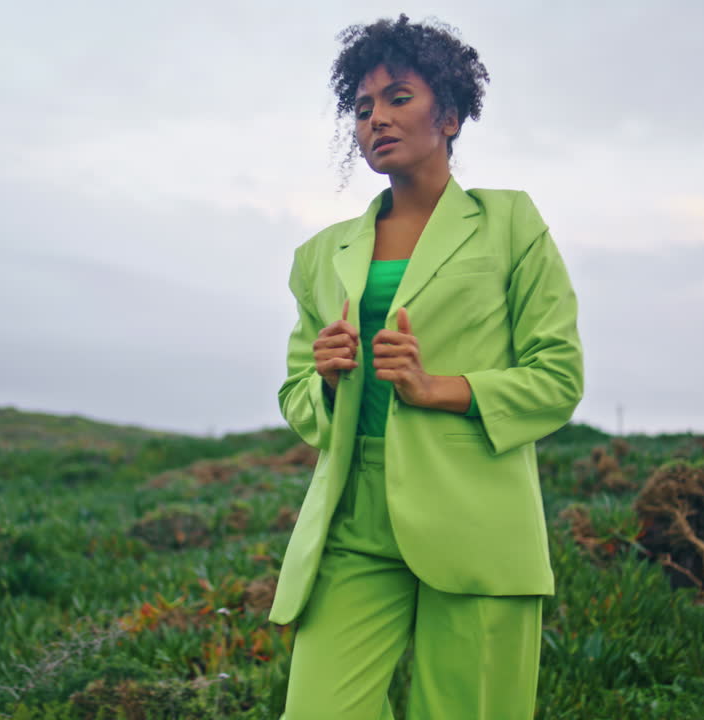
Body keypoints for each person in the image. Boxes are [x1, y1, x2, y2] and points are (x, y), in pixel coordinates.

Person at [268, 14, 586, 720]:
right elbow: (297, 398)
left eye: (397, 98)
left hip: (475, 515)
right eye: (361, 108)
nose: (375, 118)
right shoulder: (320, 257)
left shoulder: (510, 224)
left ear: (449, 114)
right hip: (354, 518)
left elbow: (558, 375)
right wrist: (323, 378)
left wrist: (438, 387)